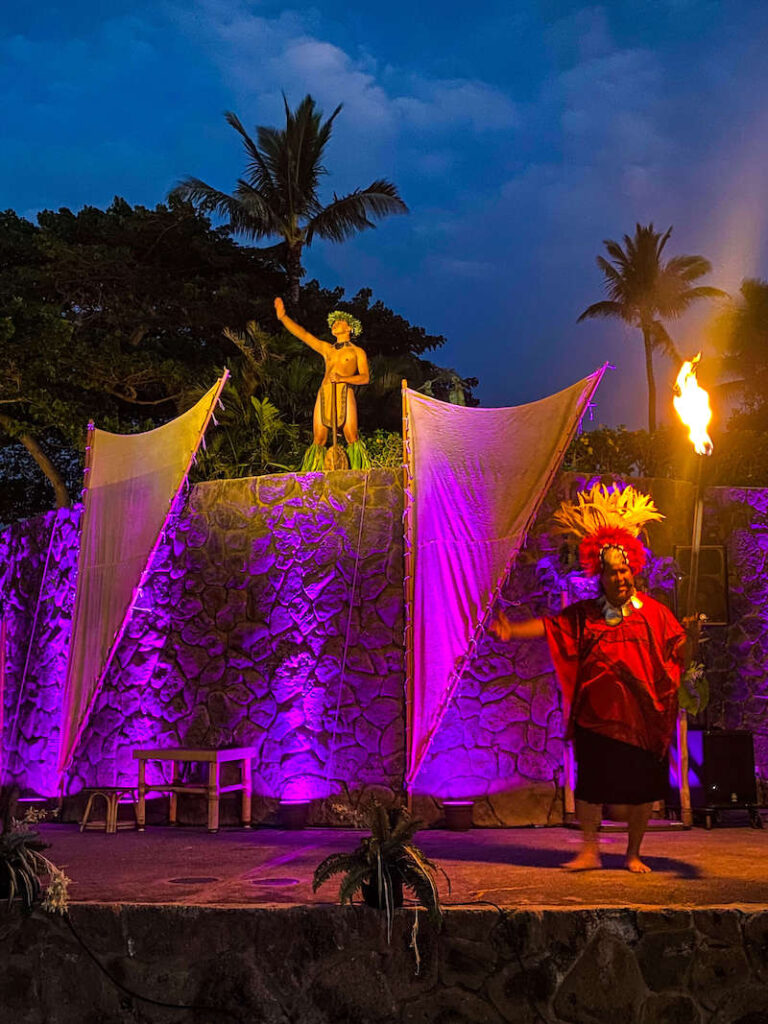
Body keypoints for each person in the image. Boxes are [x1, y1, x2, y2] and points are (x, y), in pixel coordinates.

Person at [491, 483, 691, 873]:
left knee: (642, 792)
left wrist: (694, 638)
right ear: (600, 576)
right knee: (590, 787)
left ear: (633, 569)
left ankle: (633, 854)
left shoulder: (654, 612)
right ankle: (590, 851)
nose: (620, 576)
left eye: (624, 569)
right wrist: (512, 631)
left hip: (641, 717)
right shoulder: (585, 614)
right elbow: (551, 627)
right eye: (612, 572)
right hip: (596, 716)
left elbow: (679, 653)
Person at [274, 297, 370, 469]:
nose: (334, 324)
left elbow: (365, 377)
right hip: (324, 392)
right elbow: (304, 335)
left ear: (349, 327)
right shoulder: (328, 349)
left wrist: (343, 379)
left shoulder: (357, 352)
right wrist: (283, 317)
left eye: (339, 322)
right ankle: (313, 477)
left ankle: (357, 473)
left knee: (351, 436)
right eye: (332, 323)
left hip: (344, 390)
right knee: (319, 438)